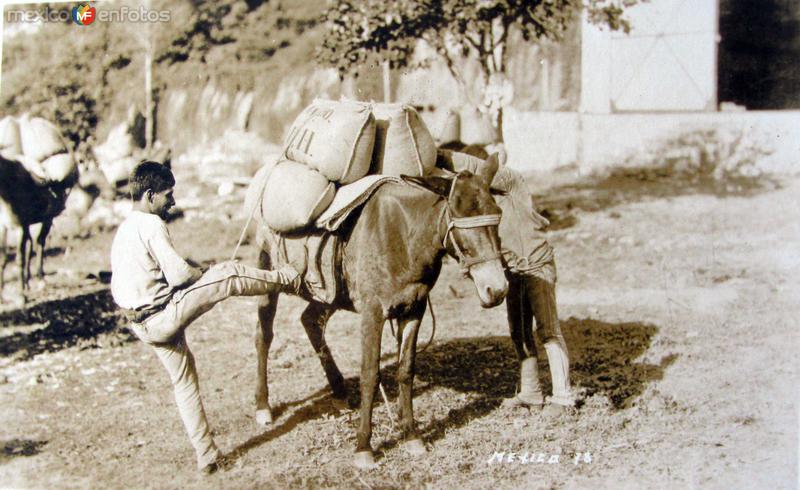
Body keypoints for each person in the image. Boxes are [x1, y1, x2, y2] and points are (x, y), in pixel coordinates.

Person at [110, 161, 300, 474]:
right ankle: (289, 278)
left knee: (184, 382)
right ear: (149, 195)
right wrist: (200, 273)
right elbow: (181, 275)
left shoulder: (126, 227)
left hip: (140, 324)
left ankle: (207, 456)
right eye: (167, 195)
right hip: (162, 316)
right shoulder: (152, 225)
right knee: (227, 274)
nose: (173, 201)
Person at [437, 145, 575, 412]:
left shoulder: (511, 182)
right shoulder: (482, 202)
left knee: (548, 330)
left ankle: (563, 397)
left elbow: (480, 167)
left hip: (537, 266)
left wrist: (439, 155)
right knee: (519, 332)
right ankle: (532, 393)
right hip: (513, 270)